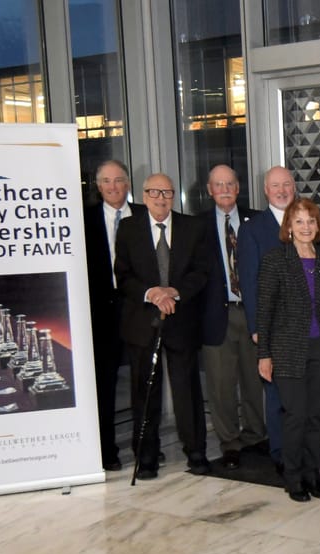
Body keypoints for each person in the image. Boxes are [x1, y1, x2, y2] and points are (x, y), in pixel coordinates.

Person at [114, 173, 212, 480]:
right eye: (155, 192)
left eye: (167, 192)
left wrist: (173, 292)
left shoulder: (192, 227)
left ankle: (196, 452)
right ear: (144, 196)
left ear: (173, 196)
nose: (161, 198)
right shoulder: (128, 228)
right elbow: (123, 275)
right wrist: (152, 293)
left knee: (187, 392)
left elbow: (201, 272)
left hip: (181, 321)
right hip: (142, 322)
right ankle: (146, 457)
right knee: (144, 393)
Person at [256, 198, 320, 502]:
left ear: (318, 225)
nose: (306, 227)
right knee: (296, 416)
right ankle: (293, 477)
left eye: (311, 221)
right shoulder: (275, 259)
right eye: (299, 221)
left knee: (315, 416)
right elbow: (264, 311)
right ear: (288, 226)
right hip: (287, 351)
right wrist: (264, 354)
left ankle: (312, 473)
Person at [199, 164, 267, 471]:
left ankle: (255, 435)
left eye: (230, 184)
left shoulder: (257, 220)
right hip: (218, 316)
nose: (225, 189)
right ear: (210, 190)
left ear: (238, 188)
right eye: (219, 184)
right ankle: (229, 443)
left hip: (253, 313)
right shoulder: (197, 226)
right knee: (221, 385)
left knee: (255, 380)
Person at [83, 160, 144, 471]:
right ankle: (106, 450)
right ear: (98, 186)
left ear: (127, 183)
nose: (112, 186)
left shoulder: (145, 215)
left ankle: (145, 448)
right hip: (102, 313)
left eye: (118, 180)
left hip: (140, 309)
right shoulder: (84, 220)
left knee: (142, 382)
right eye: (106, 181)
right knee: (104, 384)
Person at [238, 165, 298, 472]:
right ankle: (280, 453)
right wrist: (256, 328)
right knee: (276, 393)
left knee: (303, 394)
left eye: (286, 184)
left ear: (294, 187)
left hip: (306, 327)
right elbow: (248, 282)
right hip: (272, 326)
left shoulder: (307, 220)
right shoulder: (252, 229)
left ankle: (303, 449)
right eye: (276, 185)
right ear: (266, 190)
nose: (282, 190)